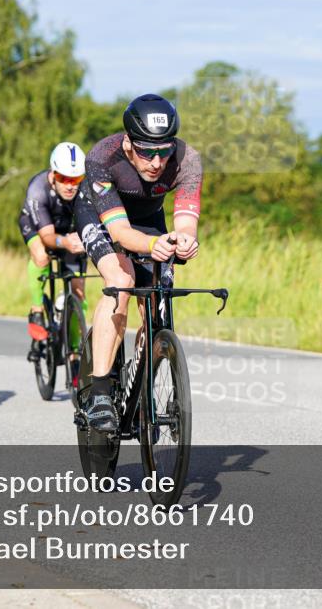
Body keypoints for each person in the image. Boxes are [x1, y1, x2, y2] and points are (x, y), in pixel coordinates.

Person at [73, 94, 202, 432]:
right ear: (128, 143)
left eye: (164, 150)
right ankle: (100, 391)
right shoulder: (103, 157)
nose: (157, 162)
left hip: (148, 221)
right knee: (122, 279)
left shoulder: (188, 160)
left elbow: (186, 220)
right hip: (101, 216)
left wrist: (185, 239)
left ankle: (143, 381)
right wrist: (152, 245)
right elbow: (120, 232)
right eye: (146, 151)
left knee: (158, 300)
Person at [18, 142, 88, 360]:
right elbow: (48, 237)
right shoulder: (38, 189)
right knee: (41, 256)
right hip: (38, 226)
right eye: (63, 178)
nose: (70, 185)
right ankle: (37, 310)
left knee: (78, 291)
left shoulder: (85, 190)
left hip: (69, 230)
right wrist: (66, 242)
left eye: (75, 180)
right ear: (53, 173)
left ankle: (75, 352)